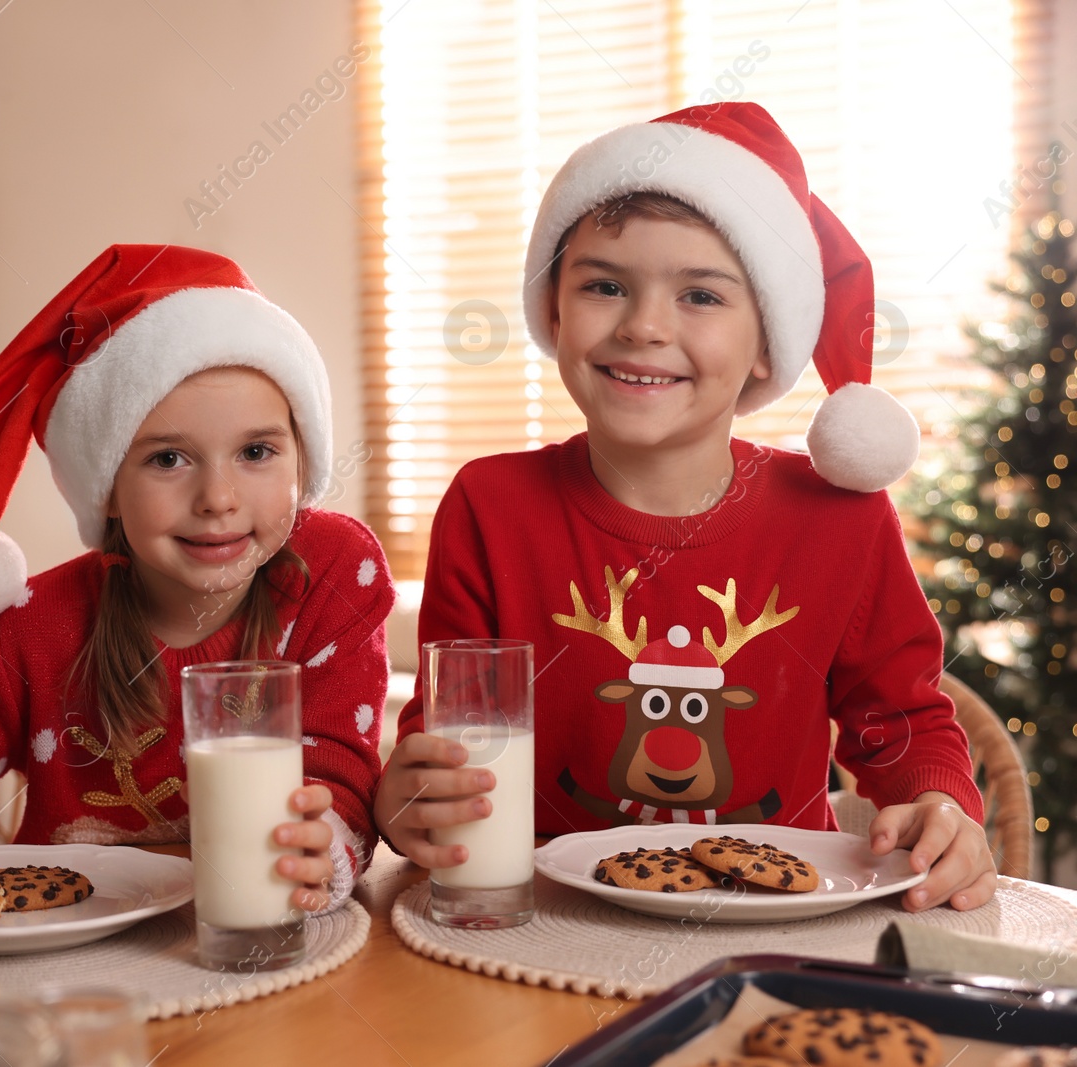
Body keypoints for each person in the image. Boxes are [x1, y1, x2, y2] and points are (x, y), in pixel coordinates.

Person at [374, 102, 997, 911]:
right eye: (604, 285)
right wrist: (410, 796)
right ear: (555, 310)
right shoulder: (489, 506)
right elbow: (445, 734)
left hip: (774, 927)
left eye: (700, 295)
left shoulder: (843, 519)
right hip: (542, 923)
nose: (643, 326)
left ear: (770, 339)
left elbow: (903, 721)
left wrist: (939, 800)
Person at [0, 245, 393, 913]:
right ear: (107, 488)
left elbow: (339, 763)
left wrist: (326, 838)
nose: (218, 498)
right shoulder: (24, 625)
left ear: (301, 460)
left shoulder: (336, 568)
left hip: (263, 942)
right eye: (168, 458)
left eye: (256, 451)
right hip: (65, 966)